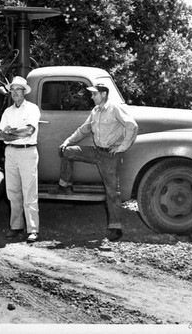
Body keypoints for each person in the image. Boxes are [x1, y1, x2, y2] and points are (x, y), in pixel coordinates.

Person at [51, 83, 138, 242]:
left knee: (112, 192)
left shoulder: (114, 109)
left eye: (94, 94)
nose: (92, 97)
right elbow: (84, 129)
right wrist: (67, 141)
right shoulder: (95, 111)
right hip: (96, 151)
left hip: (110, 156)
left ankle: (115, 228)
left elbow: (132, 125)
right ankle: (65, 185)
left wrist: (122, 147)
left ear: (104, 94)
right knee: (66, 151)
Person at [0, 76, 41, 243]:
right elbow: (0, 135)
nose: (15, 92)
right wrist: (14, 133)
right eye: (13, 89)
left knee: (29, 191)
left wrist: (10, 133)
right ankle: (16, 227)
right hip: (11, 153)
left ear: (24, 92)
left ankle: (33, 229)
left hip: (27, 152)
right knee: (12, 192)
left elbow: (29, 131)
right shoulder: (8, 112)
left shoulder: (32, 109)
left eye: (18, 89)